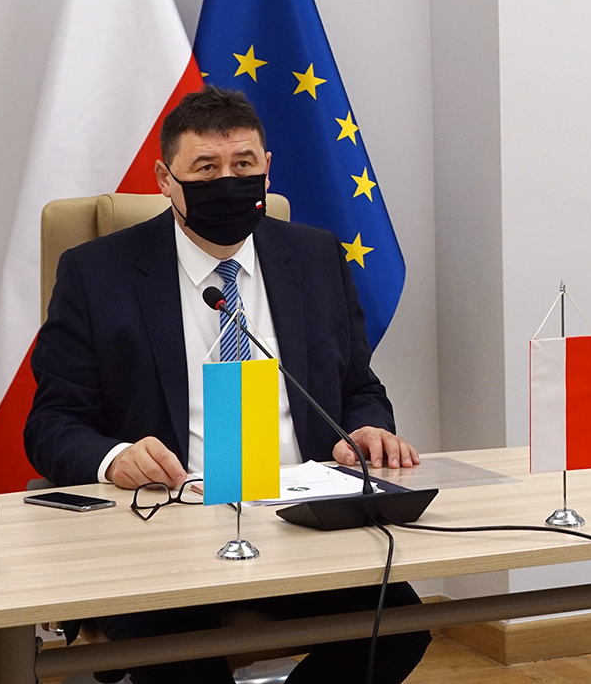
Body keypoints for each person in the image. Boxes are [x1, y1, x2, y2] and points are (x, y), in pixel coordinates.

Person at [25, 86, 430, 684]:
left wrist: (366, 429)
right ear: (165, 179)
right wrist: (115, 458)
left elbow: (358, 387)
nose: (228, 181)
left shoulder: (315, 257)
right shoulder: (97, 273)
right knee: (181, 663)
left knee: (401, 630)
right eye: (206, 168)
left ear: (267, 167)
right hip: (166, 530)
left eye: (243, 164)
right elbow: (52, 423)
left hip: (300, 518)